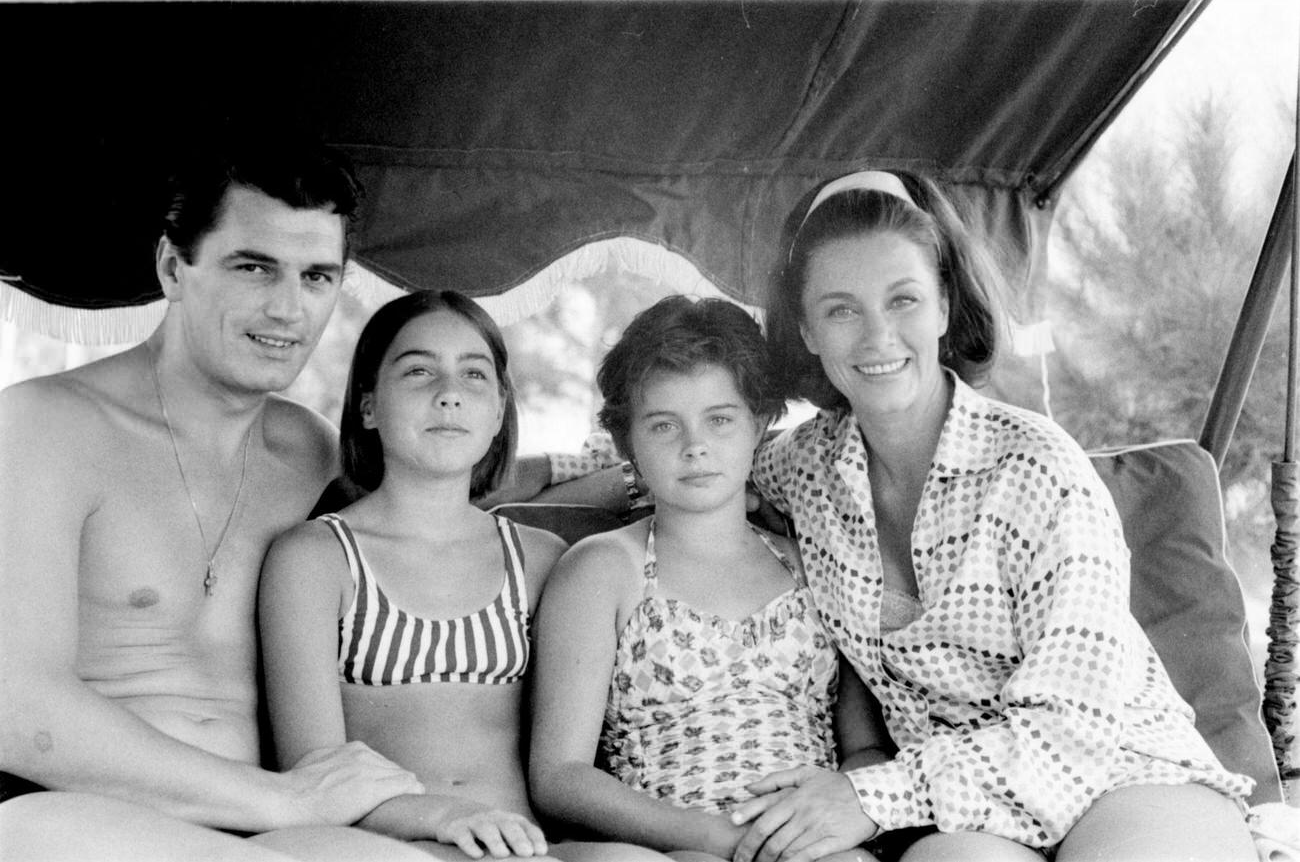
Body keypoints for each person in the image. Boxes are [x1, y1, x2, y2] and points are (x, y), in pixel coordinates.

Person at [723, 170, 1258, 862]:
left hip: (1120, 775)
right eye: (841, 309)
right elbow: (695, 456)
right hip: (960, 814)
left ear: (945, 306)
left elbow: (1074, 727)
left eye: (904, 299)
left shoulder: (1038, 467)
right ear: (806, 330)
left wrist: (868, 796)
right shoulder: (805, 466)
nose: (877, 335)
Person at [0, 138, 431, 861]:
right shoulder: (42, 426)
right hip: (58, 811)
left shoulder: (313, 451)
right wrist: (283, 798)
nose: (289, 308)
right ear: (174, 267)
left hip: (260, 823)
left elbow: (443, 490)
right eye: (254, 266)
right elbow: (14, 705)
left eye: (317, 276)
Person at [258, 290, 668, 862]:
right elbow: (311, 768)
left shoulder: (539, 559)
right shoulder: (316, 556)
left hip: (527, 846)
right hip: (382, 844)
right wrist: (444, 815)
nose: (449, 395)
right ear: (369, 405)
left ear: (499, 410)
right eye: (419, 371)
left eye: (474, 375)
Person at [528, 296, 889, 862]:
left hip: (806, 842)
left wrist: (832, 811)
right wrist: (708, 836)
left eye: (719, 419)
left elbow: (865, 745)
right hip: (667, 844)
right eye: (664, 425)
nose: (694, 446)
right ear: (627, 444)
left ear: (760, 424)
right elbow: (560, 776)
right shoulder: (603, 570)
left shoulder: (812, 563)